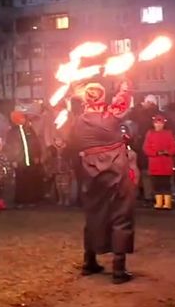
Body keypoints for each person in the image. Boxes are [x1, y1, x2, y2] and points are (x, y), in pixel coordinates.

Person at [69, 82, 136, 284]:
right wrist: (125, 84)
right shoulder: (111, 115)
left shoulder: (78, 121)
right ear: (102, 97)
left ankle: (89, 262)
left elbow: (71, 145)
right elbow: (124, 101)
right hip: (117, 168)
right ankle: (118, 268)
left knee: (93, 214)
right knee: (121, 214)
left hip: (90, 171)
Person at [129, 95, 163, 206]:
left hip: (148, 145)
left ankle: (148, 195)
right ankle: (146, 194)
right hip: (141, 144)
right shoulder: (141, 113)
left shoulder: (148, 114)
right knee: (141, 171)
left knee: (146, 171)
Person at [6, 110, 45, 207]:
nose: (24, 119)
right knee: (20, 181)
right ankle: (21, 200)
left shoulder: (29, 129)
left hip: (30, 159)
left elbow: (35, 143)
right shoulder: (12, 132)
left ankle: (31, 199)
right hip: (19, 161)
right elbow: (9, 147)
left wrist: (37, 155)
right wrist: (13, 160)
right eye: (21, 118)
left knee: (30, 180)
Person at [143, 114, 175, 210]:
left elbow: (174, 148)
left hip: (166, 164)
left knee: (166, 184)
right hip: (155, 164)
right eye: (156, 123)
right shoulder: (150, 133)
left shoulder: (168, 133)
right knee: (157, 184)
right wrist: (155, 153)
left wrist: (167, 152)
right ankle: (159, 203)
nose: (158, 125)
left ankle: (167, 203)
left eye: (160, 123)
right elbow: (146, 148)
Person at [47, 137, 75, 206]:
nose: (58, 142)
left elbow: (70, 160)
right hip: (57, 171)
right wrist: (51, 170)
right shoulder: (52, 150)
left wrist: (71, 169)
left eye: (59, 140)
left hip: (65, 171)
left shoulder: (67, 150)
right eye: (56, 140)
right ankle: (60, 199)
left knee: (65, 186)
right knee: (58, 186)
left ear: (63, 141)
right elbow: (51, 161)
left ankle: (67, 200)